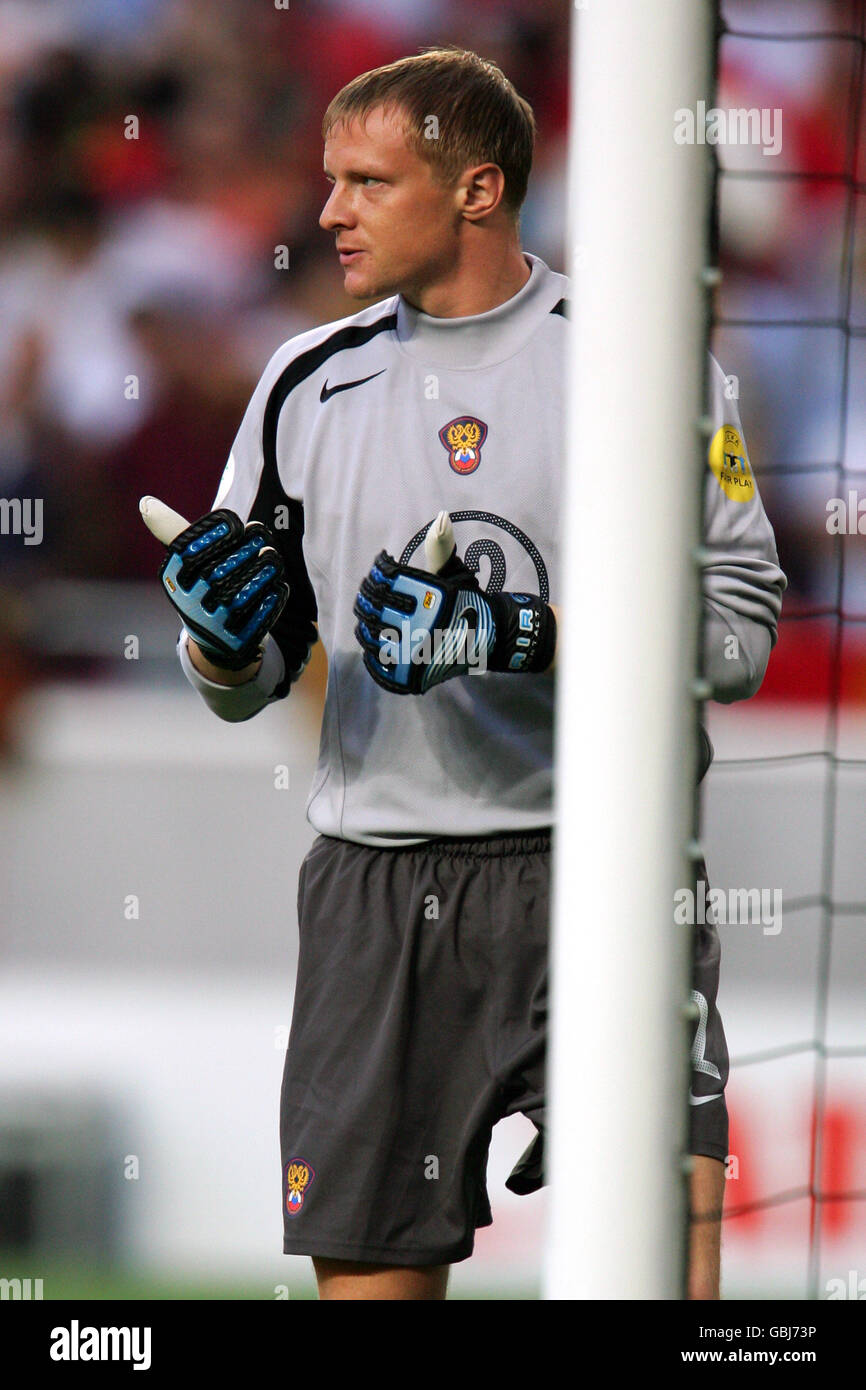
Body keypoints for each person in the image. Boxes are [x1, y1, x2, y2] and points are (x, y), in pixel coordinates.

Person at [156, 48, 786, 1300]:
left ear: (477, 191)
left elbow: (740, 640)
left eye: (365, 181)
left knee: (671, 1282)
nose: (326, 210)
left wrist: (536, 636)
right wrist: (221, 646)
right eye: (329, 179)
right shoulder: (299, 387)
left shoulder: (647, 368)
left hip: (605, 874)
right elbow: (243, 683)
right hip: (375, 893)